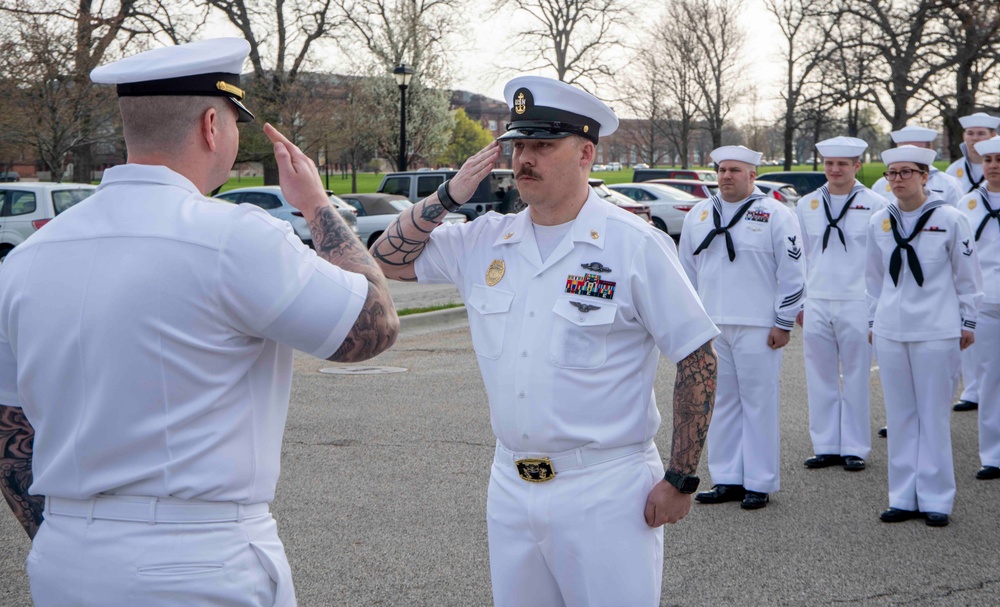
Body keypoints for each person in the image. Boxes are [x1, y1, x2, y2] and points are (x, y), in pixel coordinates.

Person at [0, 38, 398, 606]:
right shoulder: (235, 238)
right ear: (212, 124)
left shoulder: (27, 259)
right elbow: (373, 326)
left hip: (65, 557)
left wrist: (83, 536)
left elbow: (11, 430)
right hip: (197, 561)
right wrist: (316, 204)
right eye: (236, 121)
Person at [371, 76, 719, 607]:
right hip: (510, 485)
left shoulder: (633, 245)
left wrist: (681, 476)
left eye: (542, 145)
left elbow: (697, 357)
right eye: (518, 146)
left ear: (585, 153)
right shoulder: (486, 240)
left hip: (606, 489)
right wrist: (447, 196)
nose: (523, 159)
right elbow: (386, 259)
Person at [677, 145, 806, 510]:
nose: (726, 176)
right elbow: (685, 273)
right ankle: (727, 478)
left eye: (735, 170)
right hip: (713, 326)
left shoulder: (776, 214)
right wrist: (690, 323)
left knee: (759, 405)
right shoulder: (699, 214)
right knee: (721, 405)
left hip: (758, 325)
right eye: (721, 170)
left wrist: (783, 322)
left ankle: (760, 481)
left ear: (753, 175)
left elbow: (794, 273)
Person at [866, 145, 982, 527]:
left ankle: (936, 498)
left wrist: (968, 323)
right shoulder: (880, 221)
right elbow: (873, 280)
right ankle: (902, 496)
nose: (897, 179)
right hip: (891, 330)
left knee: (932, 416)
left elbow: (967, 277)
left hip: (936, 328)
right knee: (900, 417)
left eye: (906, 172)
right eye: (891, 173)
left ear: (924, 176)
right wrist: (872, 321)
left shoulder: (950, 218)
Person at [795, 137, 887, 472]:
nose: (835, 170)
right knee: (819, 375)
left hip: (857, 300)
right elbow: (801, 257)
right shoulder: (807, 204)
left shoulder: (876, 204)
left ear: (856, 166)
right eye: (830, 164)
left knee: (856, 374)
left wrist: (876, 307)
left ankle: (854, 447)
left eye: (843, 164)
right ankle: (825, 445)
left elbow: (880, 260)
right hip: (817, 300)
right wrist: (799, 303)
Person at [946, 112, 999, 413]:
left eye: (981, 134)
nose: (975, 140)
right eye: (971, 134)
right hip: (980, 282)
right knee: (975, 346)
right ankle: (973, 389)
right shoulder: (955, 174)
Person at [959, 136, 1000, 480]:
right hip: (986, 303)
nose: (994, 165)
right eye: (988, 159)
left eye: (999, 159)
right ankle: (994, 456)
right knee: (990, 380)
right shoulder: (966, 205)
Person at [872, 125, 963, 207]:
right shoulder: (880, 185)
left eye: (914, 148)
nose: (908, 152)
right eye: (903, 148)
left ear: (928, 148)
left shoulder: (948, 183)